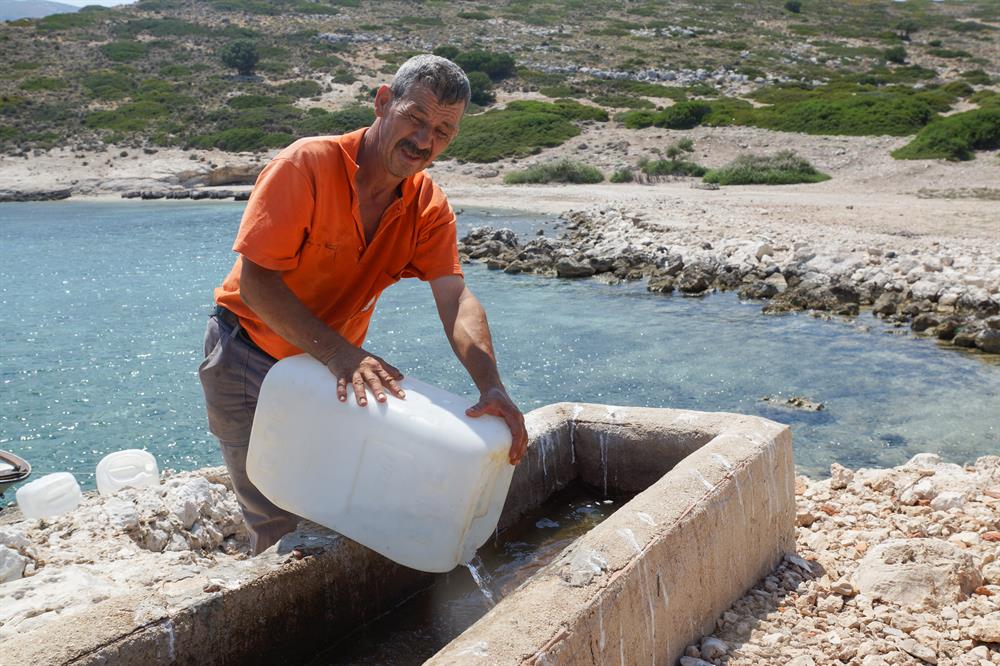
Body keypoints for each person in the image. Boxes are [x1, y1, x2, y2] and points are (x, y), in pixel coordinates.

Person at [198, 55, 528, 554]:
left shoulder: (427, 206)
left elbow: (454, 297)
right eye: (415, 118)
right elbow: (256, 285)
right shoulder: (305, 165)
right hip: (250, 355)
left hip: (329, 365)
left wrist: (491, 386)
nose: (424, 140)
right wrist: (342, 356)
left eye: (442, 130)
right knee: (277, 510)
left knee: (338, 500)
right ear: (382, 102)